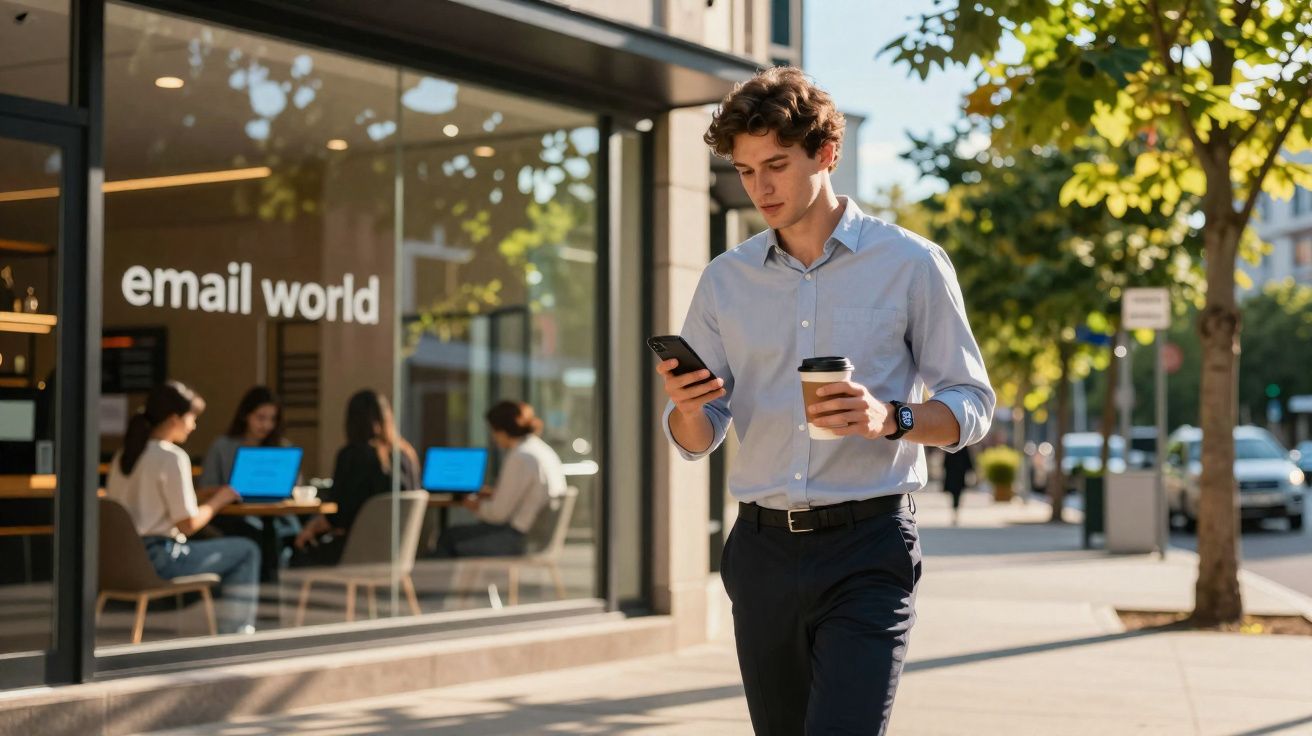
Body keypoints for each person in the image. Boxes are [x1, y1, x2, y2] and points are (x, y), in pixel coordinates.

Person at [658, 67, 994, 734]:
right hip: (760, 552)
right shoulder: (725, 282)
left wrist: (890, 419)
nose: (762, 187)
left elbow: (971, 402)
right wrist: (691, 409)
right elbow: (697, 438)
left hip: (869, 548)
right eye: (748, 171)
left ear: (826, 154)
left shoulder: (912, 263)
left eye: (777, 165)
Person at [105, 381, 261, 635]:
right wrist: (219, 500)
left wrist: (202, 495)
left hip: (120, 560)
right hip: (160, 559)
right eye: (192, 418)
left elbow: (148, 502)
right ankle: (237, 633)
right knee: (247, 550)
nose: (194, 426)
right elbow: (187, 525)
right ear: (175, 418)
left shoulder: (124, 455)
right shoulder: (172, 457)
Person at [293, 389, 419, 566]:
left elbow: (340, 515)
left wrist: (311, 528)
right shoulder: (406, 455)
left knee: (298, 552)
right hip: (398, 552)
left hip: (358, 551)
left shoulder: (353, 456)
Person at [435, 400, 565, 558]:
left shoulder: (520, 456)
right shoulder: (541, 449)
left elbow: (498, 514)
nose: (493, 437)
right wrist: (493, 494)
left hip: (517, 539)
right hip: (537, 535)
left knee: (448, 537)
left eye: (493, 431)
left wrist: (474, 505)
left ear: (502, 430)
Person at [200, 386, 299, 558]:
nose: (266, 425)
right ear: (246, 415)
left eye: (272, 419)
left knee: (283, 534)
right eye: (260, 418)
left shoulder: (282, 448)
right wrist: (228, 492)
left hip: (277, 518)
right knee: (257, 534)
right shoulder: (222, 447)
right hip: (234, 518)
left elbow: (294, 488)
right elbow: (204, 490)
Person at [942, 446, 975, 526]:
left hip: (956, 475)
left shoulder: (950, 445)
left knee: (956, 494)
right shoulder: (960, 446)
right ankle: (955, 510)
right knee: (956, 494)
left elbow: (945, 463)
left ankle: (955, 510)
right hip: (957, 474)